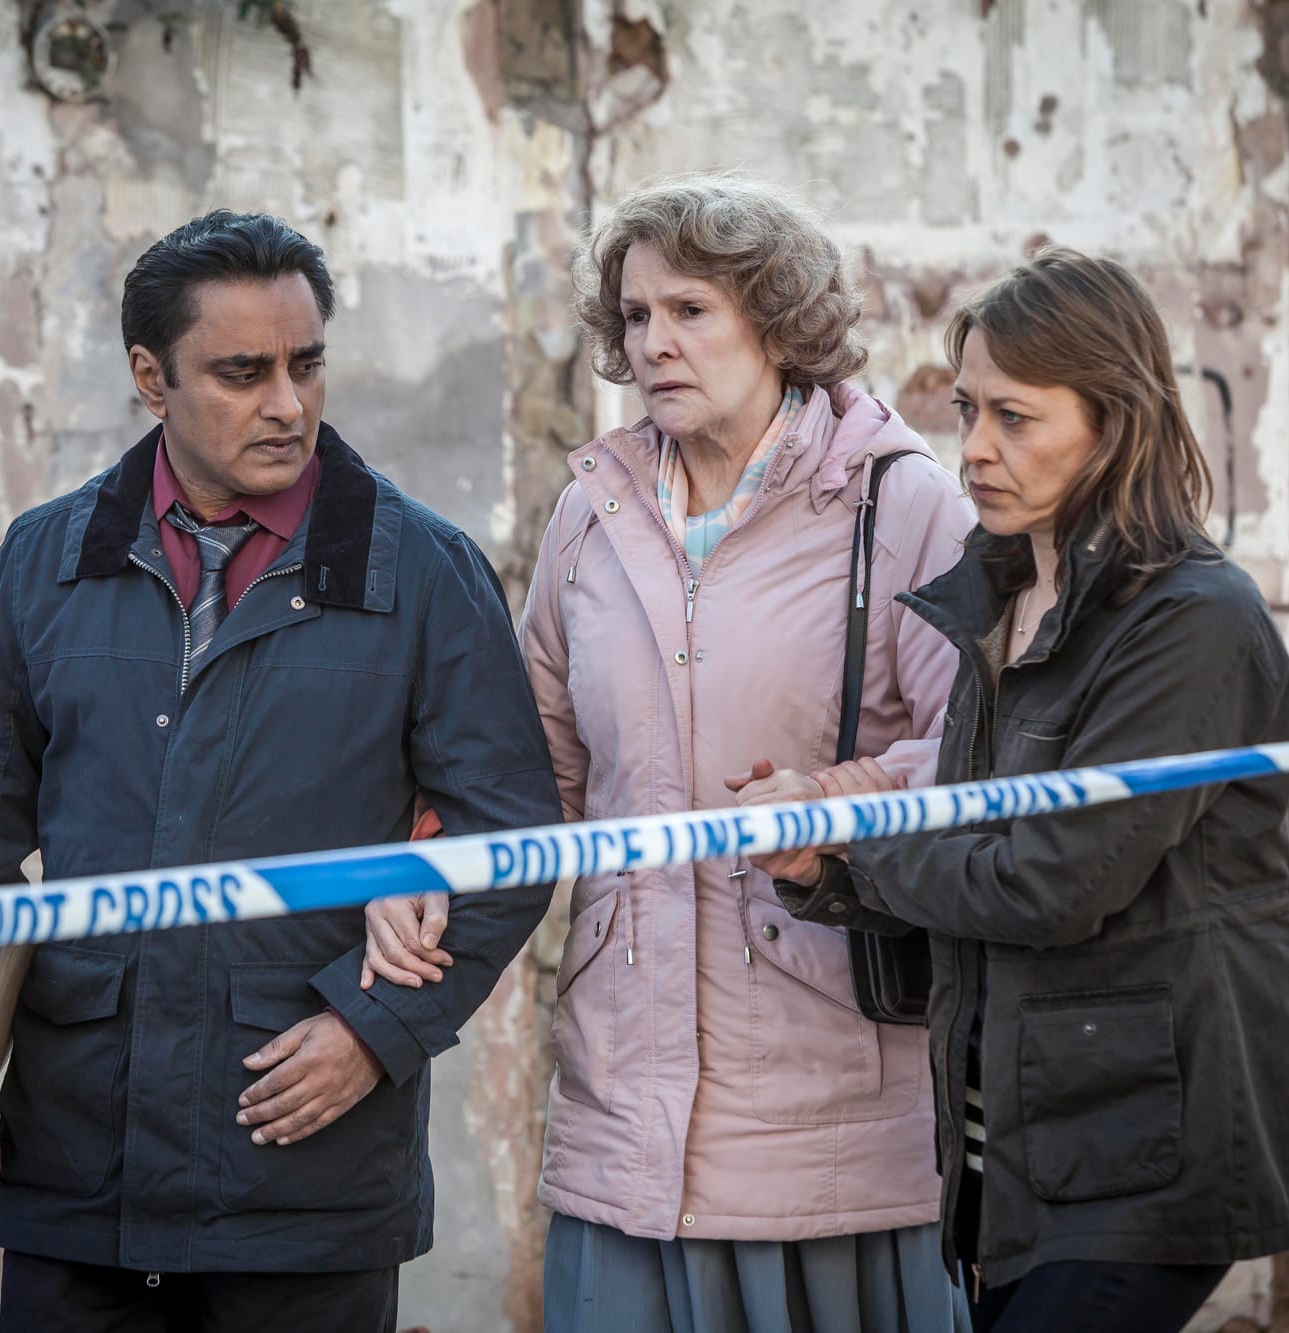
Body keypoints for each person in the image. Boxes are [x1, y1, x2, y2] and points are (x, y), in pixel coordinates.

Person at [0, 210, 561, 1332]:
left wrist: (370, 1030)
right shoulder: (45, 562)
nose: (286, 402)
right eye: (241, 372)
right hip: (75, 1163)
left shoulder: (425, 571)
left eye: (306, 363)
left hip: (301, 1169)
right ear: (151, 378)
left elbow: (510, 844)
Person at [364, 174, 975, 1332]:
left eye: (689, 310)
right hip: (623, 1105)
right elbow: (526, 763)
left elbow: (977, 763)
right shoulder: (590, 512)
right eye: (636, 316)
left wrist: (824, 802)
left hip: (833, 1102)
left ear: (777, 321)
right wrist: (427, 864)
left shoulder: (901, 505)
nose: (654, 342)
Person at [747, 247, 1289, 1333]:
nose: (970, 450)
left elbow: (1052, 881)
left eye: (1013, 418)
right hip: (1009, 1157)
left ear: (1110, 423)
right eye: (966, 408)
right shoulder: (998, 595)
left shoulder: (1194, 621)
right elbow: (961, 848)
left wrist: (846, 850)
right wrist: (815, 861)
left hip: (1142, 1156)